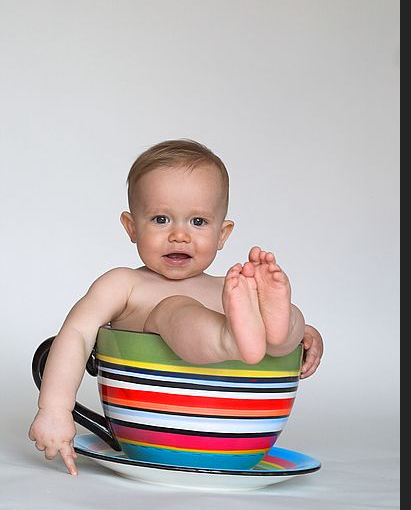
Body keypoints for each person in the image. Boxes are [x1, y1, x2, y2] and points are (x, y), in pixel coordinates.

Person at [29, 139, 324, 476]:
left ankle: (283, 329)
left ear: (223, 234)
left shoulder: (228, 289)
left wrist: (304, 337)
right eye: (160, 219)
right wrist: (55, 408)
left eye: (198, 222)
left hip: (230, 416)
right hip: (166, 400)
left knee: (278, 325)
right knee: (175, 308)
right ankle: (233, 340)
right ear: (131, 226)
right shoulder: (124, 284)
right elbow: (77, 334)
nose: (180, 236)